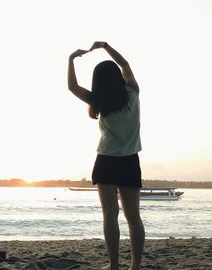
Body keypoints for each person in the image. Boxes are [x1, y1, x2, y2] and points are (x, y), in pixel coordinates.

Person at [67, 41, 145, 270]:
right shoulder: (133, 93)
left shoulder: (99, 100)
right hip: (130, 160)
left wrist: (71, 59)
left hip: (106, 161)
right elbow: (124, 63)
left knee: (110, 215)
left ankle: (113, 266)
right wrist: (105, 46)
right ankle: (136, 267)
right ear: (118, 78)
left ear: (98, 82)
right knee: (134, 217)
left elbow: (72, 87)